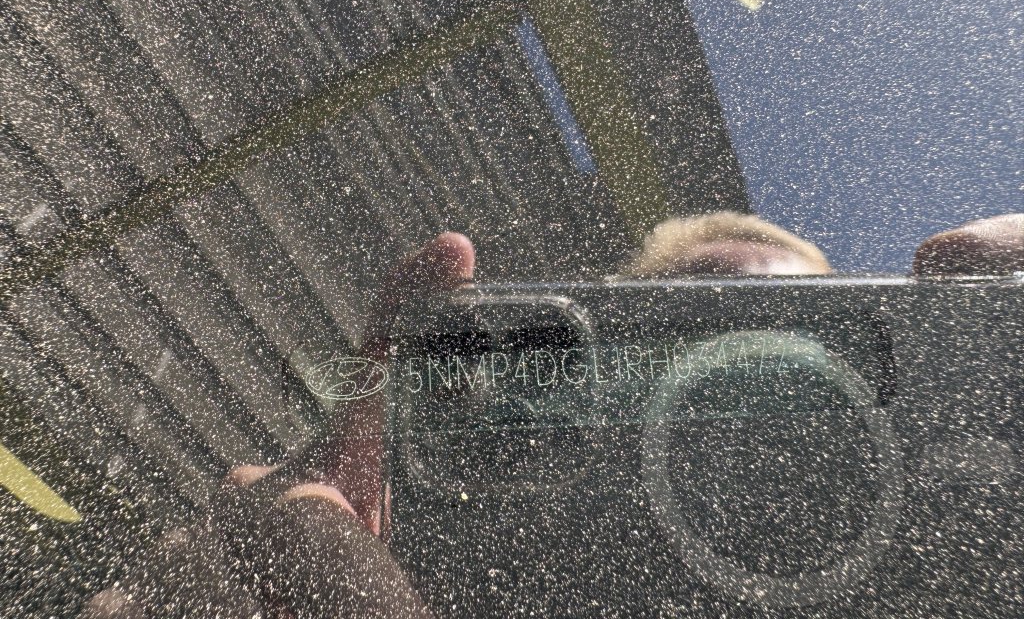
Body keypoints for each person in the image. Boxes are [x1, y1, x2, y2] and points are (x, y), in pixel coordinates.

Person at [81, 214, 1023, 618]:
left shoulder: (956, 566)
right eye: (678, 347)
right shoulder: (451, 540)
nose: (723, 431)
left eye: (783, 373)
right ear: (594, 367)